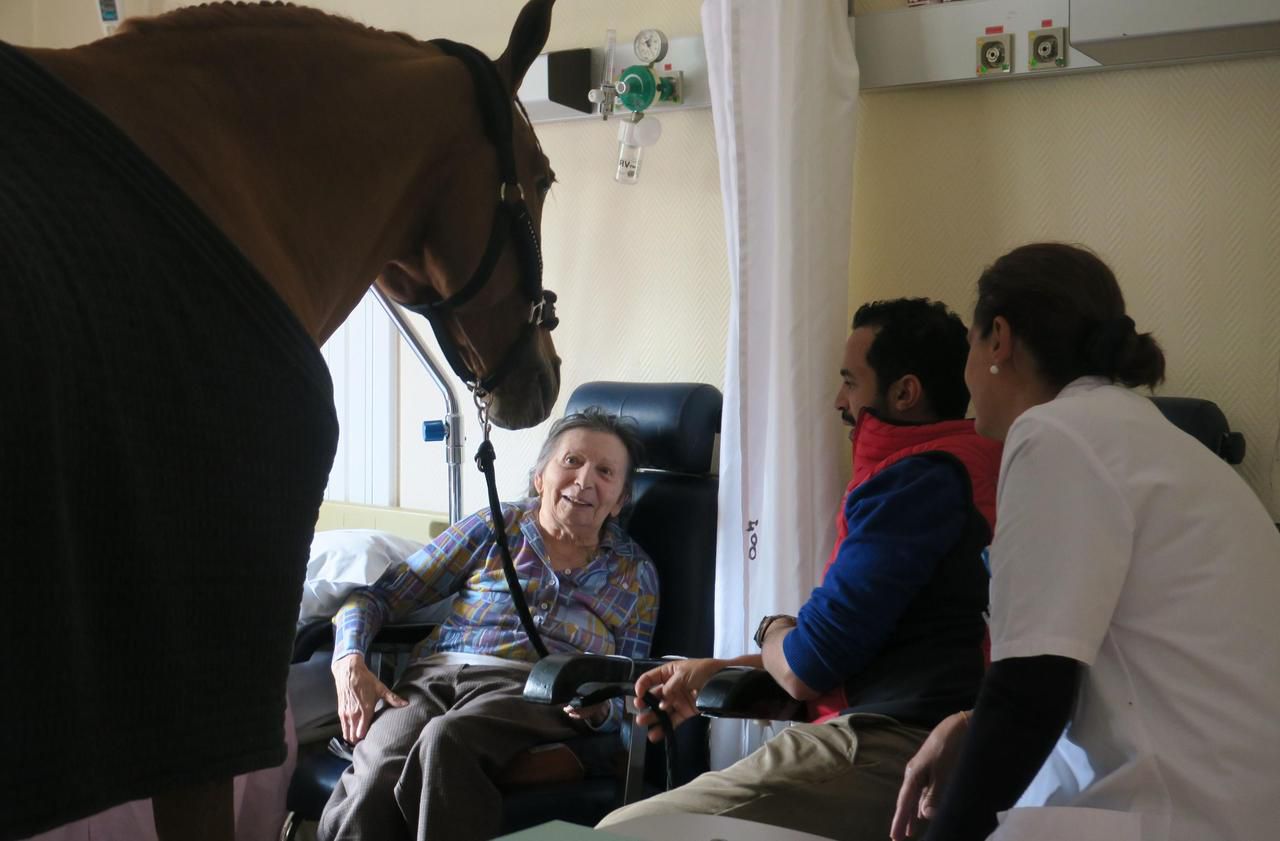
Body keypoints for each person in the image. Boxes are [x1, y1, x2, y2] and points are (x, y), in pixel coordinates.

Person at [890, 243, 1280, 841]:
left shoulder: (1054, 437)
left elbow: (1030, 696)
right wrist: (971, 722)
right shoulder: (1149, 438)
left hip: (1175, 812)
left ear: (998, 339)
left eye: (970, 344)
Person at [597, 299, 1003, 841]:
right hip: (898, 726)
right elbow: (864, 649)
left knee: (623, 832)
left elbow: (806, 666)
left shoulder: (914, 485)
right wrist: (719, 668)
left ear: (904, 392)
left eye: (851, 383)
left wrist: (772, 629)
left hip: (890, 742)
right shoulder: (957, 469)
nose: (840, 401)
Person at [317, 408, 659, 841]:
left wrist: (600, 709)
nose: (585, 480)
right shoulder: (493, 527)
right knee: (378, 769)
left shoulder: (636, 575)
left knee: (447, 740)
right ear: (540, 476)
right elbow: (378, 596)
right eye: (571, 461)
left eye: (605, 471)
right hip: (433, 679)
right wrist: (349, 659)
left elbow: (638, 685)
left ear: (621, 500)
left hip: (534, 694)